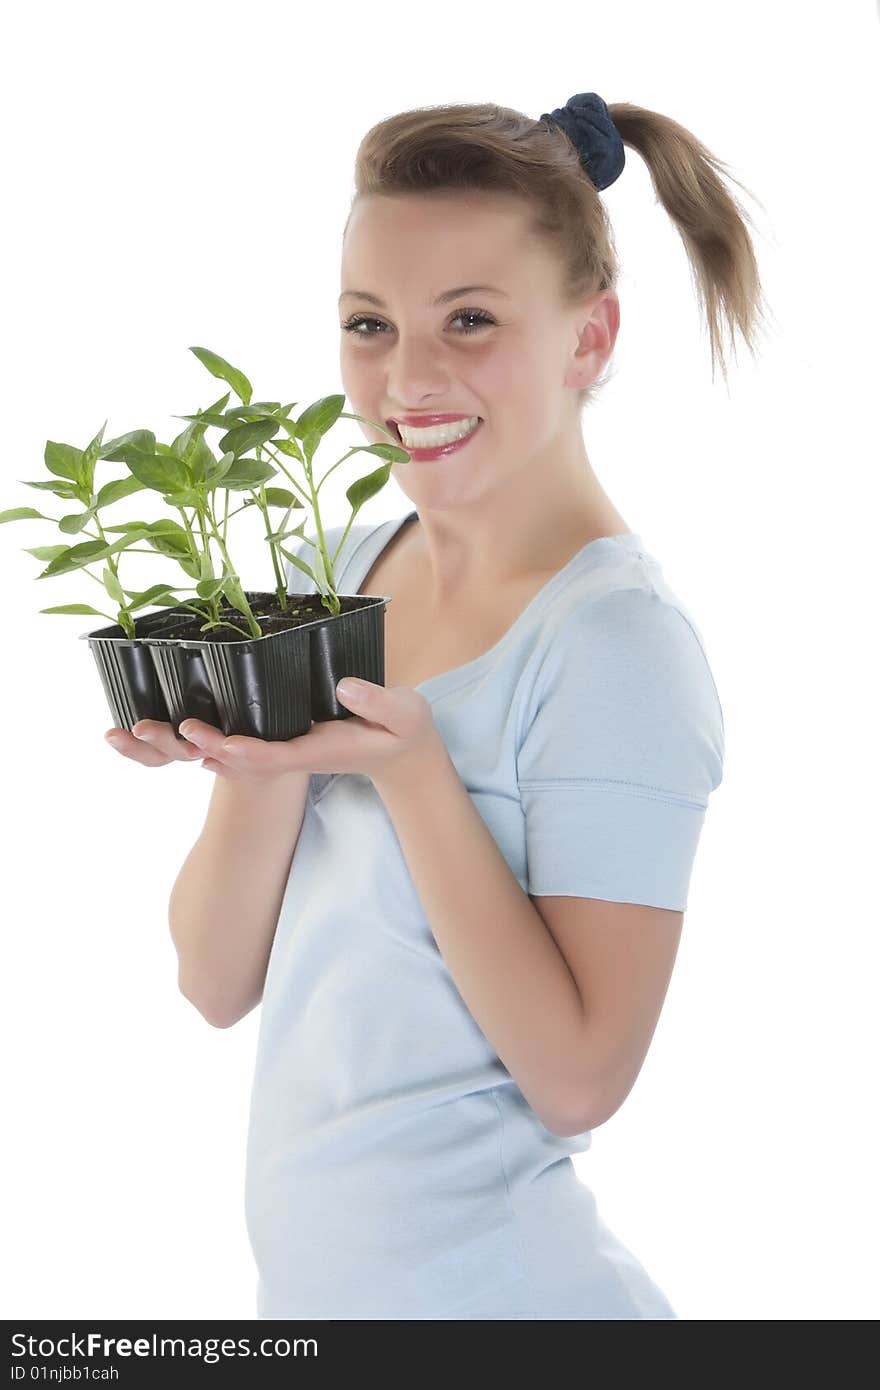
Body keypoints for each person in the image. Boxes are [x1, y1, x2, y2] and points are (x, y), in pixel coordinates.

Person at [107, 93, 767, 1319]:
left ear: (589, 337)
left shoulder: (613, 645)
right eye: (370, 323)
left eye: (470, 319)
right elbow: (211, 977)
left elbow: (578, 1077)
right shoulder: (347, 565)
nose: (407, 377)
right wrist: (256, 753)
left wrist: (415, 775)